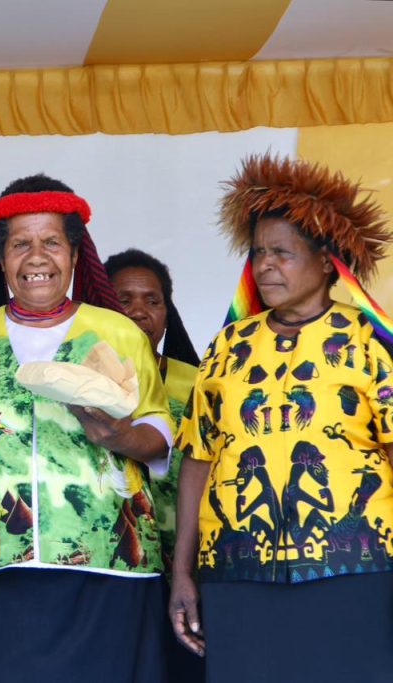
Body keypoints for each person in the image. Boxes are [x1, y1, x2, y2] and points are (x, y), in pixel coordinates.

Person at [0, 173, 173, 682]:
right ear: (1, 258)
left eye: (51, 242)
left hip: (107, 560)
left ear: (73, 255)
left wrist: (119, 437)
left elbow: (160, 436)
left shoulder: (116, 331)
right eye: (20, 245)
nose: (36, 257)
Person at [170, 154, 393, 681]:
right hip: (236, 570)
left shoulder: (369, 340)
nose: (265, 265)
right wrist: (183, 571)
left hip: (355, 567)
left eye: (282, 253)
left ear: (327, 263)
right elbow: (198, 458)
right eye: (258, 253)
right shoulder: (229, 344)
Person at [105, 248, 203, 683]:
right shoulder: (78, 384)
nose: (139, 311)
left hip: (187, 563)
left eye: (153, 300)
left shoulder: (198, 381)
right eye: (124, 299)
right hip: (114, 565)